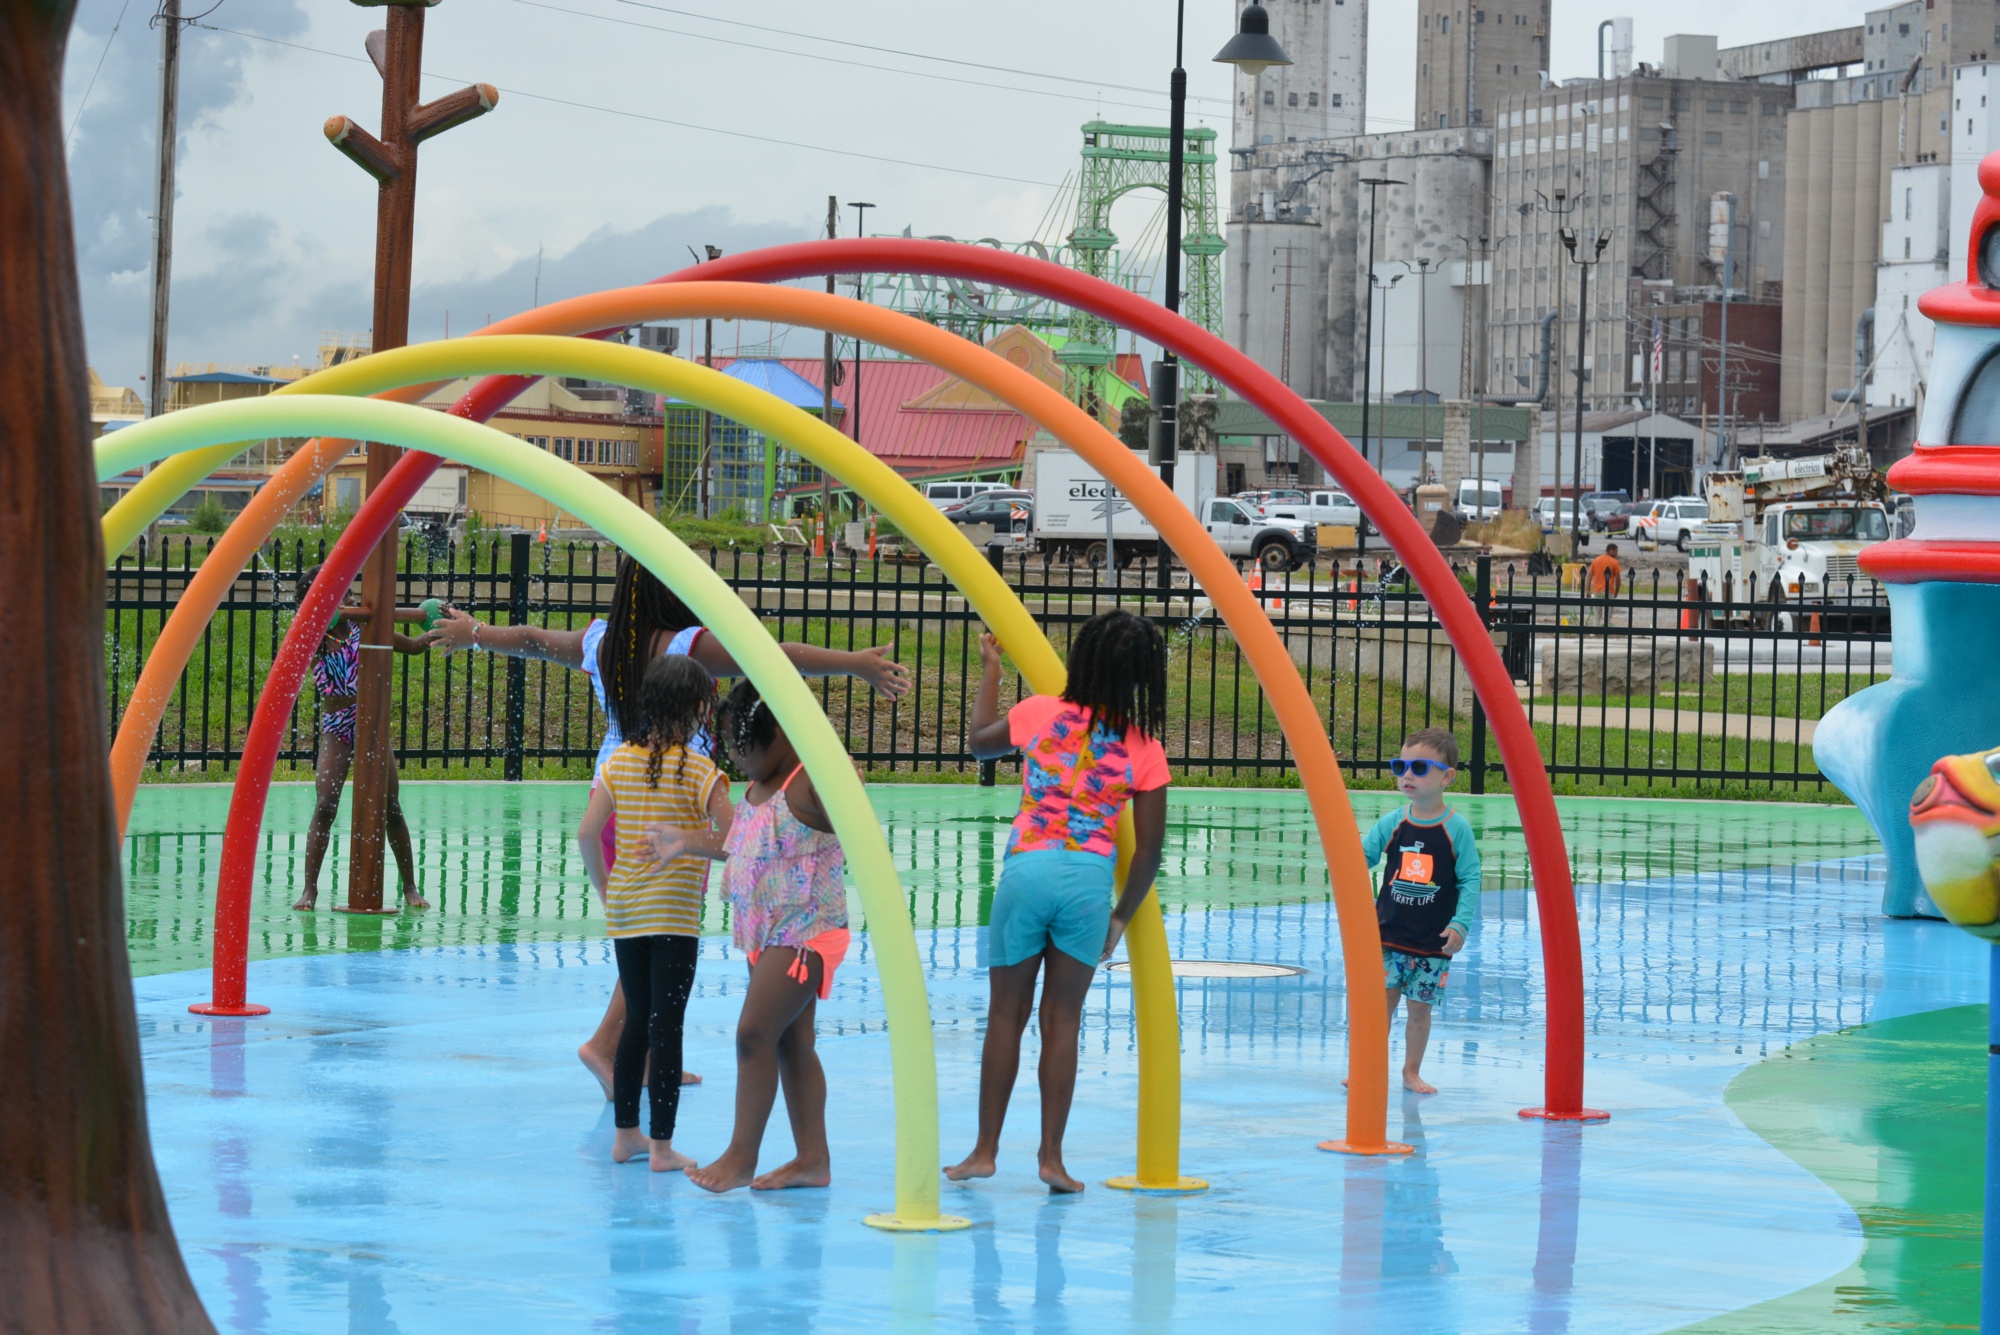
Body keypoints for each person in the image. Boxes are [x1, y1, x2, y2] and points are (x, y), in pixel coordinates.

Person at [430, 555, 911, 1094]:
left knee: (645, 933)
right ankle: (607, 1046)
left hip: (613, 796)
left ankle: (652, 1054)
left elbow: (532, 639)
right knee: (662, 936)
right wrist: (854, 663)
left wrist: (474, 633)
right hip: (675, 802)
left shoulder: (600, 641)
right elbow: (773, 657)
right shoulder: (685, 647)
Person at [945, 611, 1169, 1194]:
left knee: (1004, 1017)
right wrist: (1120, 916)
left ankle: (984, 1151)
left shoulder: (1040, 712)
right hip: (1088, 884)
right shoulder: (1144, 747)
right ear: (1143, 680)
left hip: (1027, 872)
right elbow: (1148, 853)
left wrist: (991, 668)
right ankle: (1051, 1160)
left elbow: (978, 744)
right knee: (1062, 1020)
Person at [655, 680, 848, 1194]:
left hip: (807, 931)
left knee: (752, 1036)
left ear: (784, 733)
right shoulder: (760, 787)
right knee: (792, 1042)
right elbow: (747, 847)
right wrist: (686, 842)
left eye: (749, 748)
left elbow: (852, 812)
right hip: (766, 932)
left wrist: (823, 743)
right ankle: (813, 1160)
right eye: (734, 751)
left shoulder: (810, 781)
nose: (741, 761)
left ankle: (742, 1157)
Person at [577, 654, 732, 1173]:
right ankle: (662, 1148)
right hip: (672, 916)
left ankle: (626, 1137)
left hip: (627, 911)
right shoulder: (700, 771)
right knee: (668, 1027)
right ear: (697, 711)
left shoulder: (617, 762)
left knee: (637, 1024)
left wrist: (605, 888)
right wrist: (687, 840)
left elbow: (585, 834)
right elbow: (736, 838)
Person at [293, 565, 440, 912]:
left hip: (370, 723)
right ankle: (309, 890)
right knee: (326, 804)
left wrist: (440, 627)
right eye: (337, 592)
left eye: (346, 590)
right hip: (337, 726)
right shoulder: (313, 635)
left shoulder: (366, 624)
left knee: (391, 807)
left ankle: (410, 887)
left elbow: (415, 647)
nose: (348, 596)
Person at [1361, 727, 1481, 1096]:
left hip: (1432, 941)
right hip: (1389, 933)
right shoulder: (1394, 821)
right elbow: (1359, 858)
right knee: (1381, 1006)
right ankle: (1369, 1069)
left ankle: (1411, 1071)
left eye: (1418, 766)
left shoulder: (1455, 828)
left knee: (1419, 1011)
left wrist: (1460, 925)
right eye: (1400, 765)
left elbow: (1470, 879)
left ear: (1447, 777)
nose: (1407, 774)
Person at [1587, 543, 1623, 623]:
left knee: (1597, 613)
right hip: (1609, 590)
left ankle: (1594, 632)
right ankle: (1605, 630)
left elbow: (1589, 576)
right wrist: (1616, 591)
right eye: (1616, 551)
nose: (1617, 554)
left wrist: (1588, 590)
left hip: (1597, 590)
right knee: (1608, 613)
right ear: (1611, 550)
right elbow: (1618, 579)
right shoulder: (1615, 562)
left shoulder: (1596, 560)